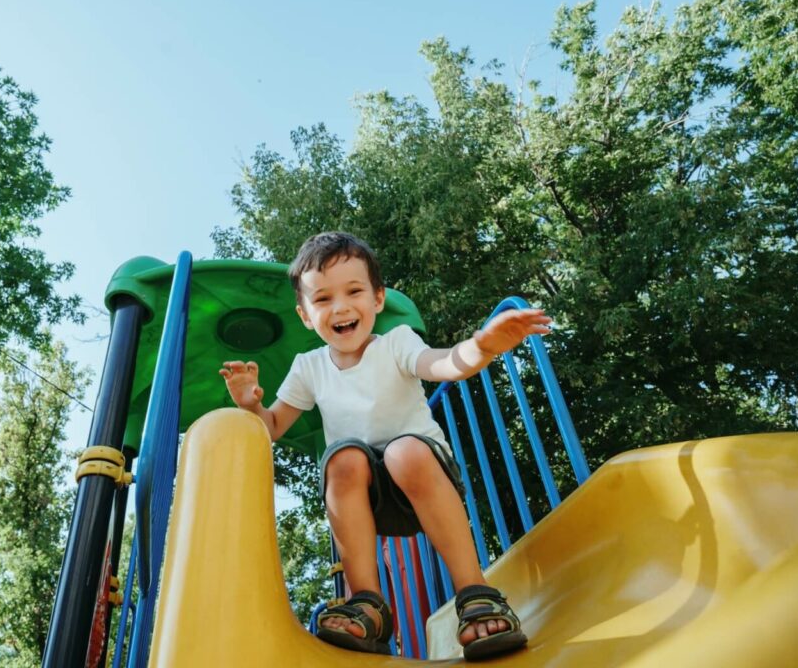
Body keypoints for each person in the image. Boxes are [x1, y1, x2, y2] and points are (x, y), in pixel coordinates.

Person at [219, 231, 550, 660]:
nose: (339, 307)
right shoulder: (309, 367)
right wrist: (250, 404)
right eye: (322, 300)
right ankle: (369, 605)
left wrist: (481, 346)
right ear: (305, 315)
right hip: (366, 500)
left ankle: (476, 591)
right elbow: (274, 426)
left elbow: (443, 365)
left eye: (353, 291)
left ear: (377, 299)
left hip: (423, 478)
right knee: (342, 459)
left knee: (402, 451)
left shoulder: (398, 343)